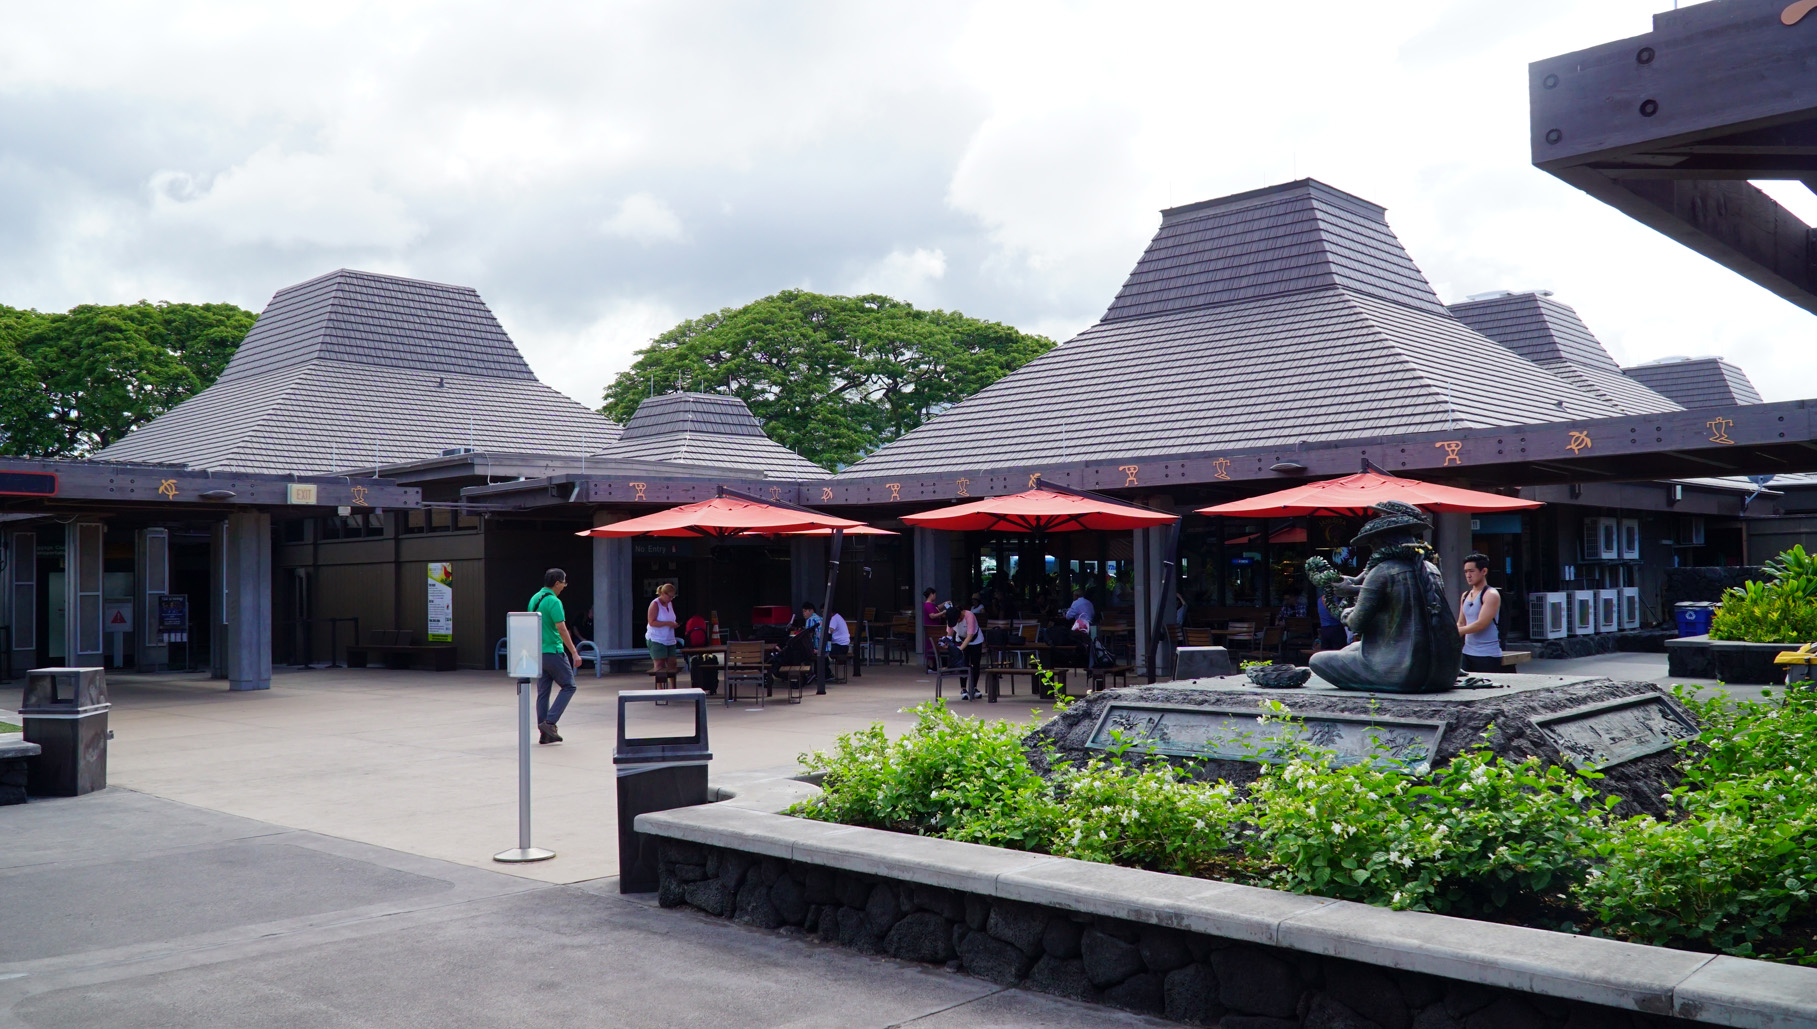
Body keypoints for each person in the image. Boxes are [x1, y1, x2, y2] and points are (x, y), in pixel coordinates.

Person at [528, 568, 581, 745]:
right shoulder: (554, 601)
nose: (564, 586)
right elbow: (561, 628)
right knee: (569, 686)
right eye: (564, 583)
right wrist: (574, 652)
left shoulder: (535, 598)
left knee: (543, 692)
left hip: (538, 653)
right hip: (553, 651)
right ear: (557, 582)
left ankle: (544, 734)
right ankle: (549, 723)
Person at [1456, 552, 1504, 674]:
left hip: (1487, 655)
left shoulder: (1491, 594)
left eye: (1471, 571)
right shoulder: (1465, 595)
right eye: (1466, 572)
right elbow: (1461, 622)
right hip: (1466, 652)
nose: (1468, 575)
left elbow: (1481, 624)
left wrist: (1459, 631)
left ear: (1484, 571)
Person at [944, 605, 983, 700]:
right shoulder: (952, 618)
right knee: (963, 663)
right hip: (961, 639)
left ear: (960, 616)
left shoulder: (969, 616)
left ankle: (974, 687)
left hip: (975, 640)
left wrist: (959, 649)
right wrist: (946, 643)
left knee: (975, 664)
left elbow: (970, 636)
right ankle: (963, 688)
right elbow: (949, 634)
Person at [646, 582, 681, 680]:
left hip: (669, 638)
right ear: (663, 594)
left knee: (672, 663)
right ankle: (660, 689)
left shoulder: (670, 603)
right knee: (659, 664)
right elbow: (652, 622)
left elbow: (671, 617)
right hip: (657, 638)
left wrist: (673, 624)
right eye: (669, 596)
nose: (670, 599)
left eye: (673, 597)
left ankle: (673, 688)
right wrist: (667, 623)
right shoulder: (655, 604)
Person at [824, 605, 859, 678]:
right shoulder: (838, 617)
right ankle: (826, 673)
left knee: (823, 652)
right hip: (843, 646)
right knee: (824, 651)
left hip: (840, 646)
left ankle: (827, 673)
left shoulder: (834, 619)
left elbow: (829, 632)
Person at [921, 587, 942, 671]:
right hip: (932, 628)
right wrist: (943, 613)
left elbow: (937, 607)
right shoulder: (928, 605)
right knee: (931, 646)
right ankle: (931, 665)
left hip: (934, 629)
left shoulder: (932, 605)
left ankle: (932, 665)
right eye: (935, 594)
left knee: (933, 645)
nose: (935, 596)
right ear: (931, 594)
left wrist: (944, 604)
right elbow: (932, 615)